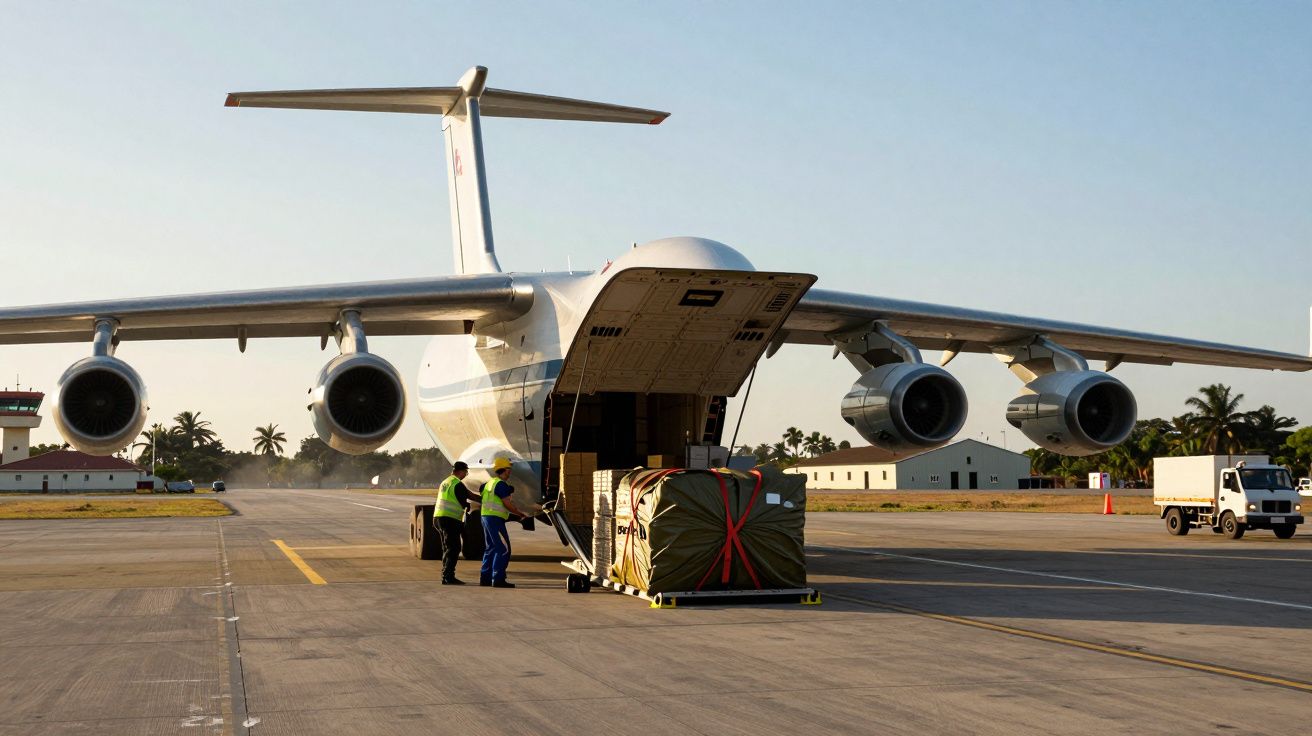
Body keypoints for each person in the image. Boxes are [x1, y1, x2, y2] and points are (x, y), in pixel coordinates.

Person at [480, 457, 538, 588]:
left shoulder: (489, 483)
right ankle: (498, 578)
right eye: (508, 469)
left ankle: (485, 578)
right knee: (504, 549)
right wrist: (519, 513)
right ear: (502, 470)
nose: (509, 472)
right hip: (494, 519)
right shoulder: (500, 484)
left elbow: (481, 492)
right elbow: (507, 504)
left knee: (491, 548)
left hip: (485, 517)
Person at [433, 461, 471, 585]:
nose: (466, 474)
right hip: (450, 519)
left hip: (438, 518)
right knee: (454, 548)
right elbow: (466, 497)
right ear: (460, 471)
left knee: (447, 548)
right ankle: (448, 576)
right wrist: (483, 499)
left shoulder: (446, 481)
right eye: (466, 472)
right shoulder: (457, 484)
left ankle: (446, 575)